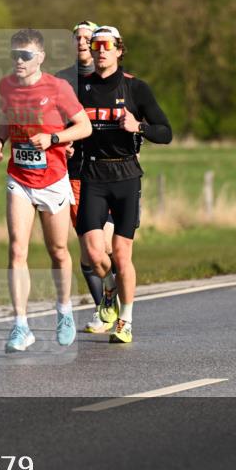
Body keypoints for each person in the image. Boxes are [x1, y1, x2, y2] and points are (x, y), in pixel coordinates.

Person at [0, 28, 92, 352]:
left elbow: (83, 126)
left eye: (25, 55)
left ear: (40, 58)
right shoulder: (7, 86)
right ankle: (21, 325)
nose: (18, 61)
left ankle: (64, 311)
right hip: (19, 177)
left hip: (53, 178)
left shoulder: (58, 88)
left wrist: (54, 139)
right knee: (17, 249)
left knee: (58, 250)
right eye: (14, 55)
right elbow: (7, 118)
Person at [75, 26, 172, 344]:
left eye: (107, 45)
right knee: (92, 253)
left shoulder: (136, 88)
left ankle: (125, 320)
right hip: (92, 175)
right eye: (96, 44)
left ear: (119, 50)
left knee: (121, 252)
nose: (101, 50)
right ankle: (112, 289)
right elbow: (67, 126)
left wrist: (139, 126)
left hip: (126, 176)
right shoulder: (81, 89)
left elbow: (165, 132)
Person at [56, 21, 117, 334]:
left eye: (88, 38)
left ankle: (119, 296)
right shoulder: (60, 80)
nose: (82, 42)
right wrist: (60, 141)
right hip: (75, 172)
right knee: (90, 251)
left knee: (107, 248)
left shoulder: (111, 77)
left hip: (111, 171)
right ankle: (105, 308)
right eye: (76, 37)